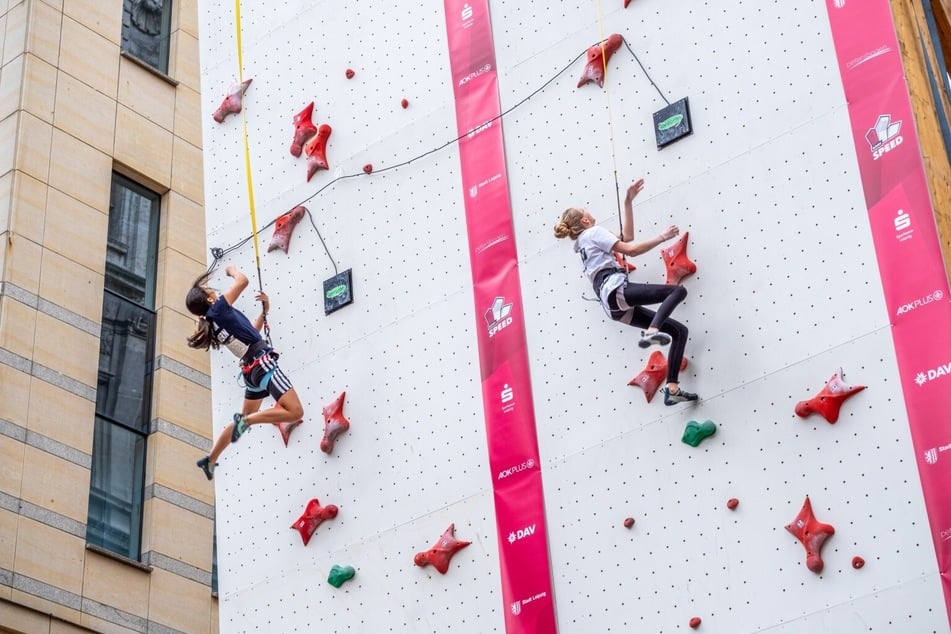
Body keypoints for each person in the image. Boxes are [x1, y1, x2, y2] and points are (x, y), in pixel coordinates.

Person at [554, 179, 699, 405]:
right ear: (585, 219)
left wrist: (628, 201)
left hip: (613, 307)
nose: (590, 212)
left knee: (679, 331)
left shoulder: (584, 243)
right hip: (614, 290)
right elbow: (632, 249)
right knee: (676, 293)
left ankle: (672, 388)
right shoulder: (593, 233)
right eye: (586, 210)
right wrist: (662, 237)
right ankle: (653, 330)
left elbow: (627, 237)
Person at [185, 264, 304, 479]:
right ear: (210, 299)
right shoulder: (218, 309)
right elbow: (243, 281)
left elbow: (250, 334)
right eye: (209, 290)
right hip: (261, 363)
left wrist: (264, 312)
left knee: (246, 415)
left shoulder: (213, 322)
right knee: (295, 412)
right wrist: (232, 271)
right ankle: (247, 422)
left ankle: (211, 459)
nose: (214, 290)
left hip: (251, 370)